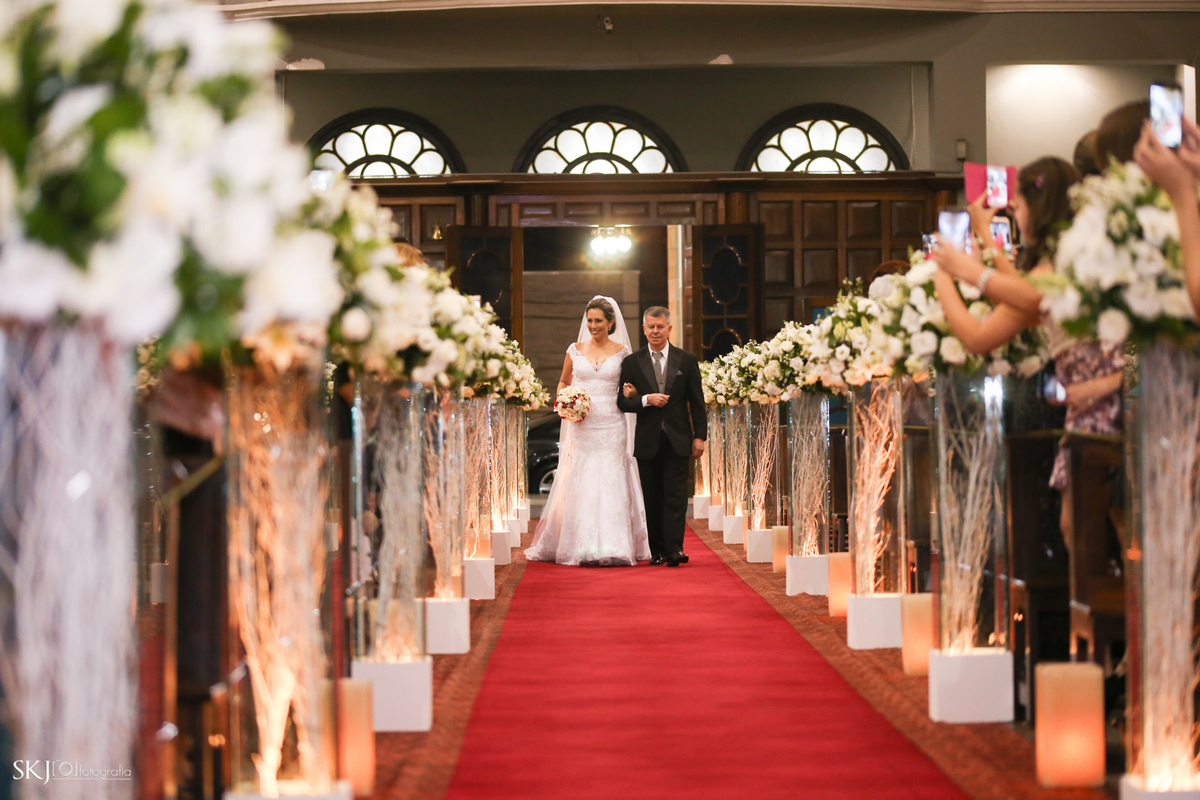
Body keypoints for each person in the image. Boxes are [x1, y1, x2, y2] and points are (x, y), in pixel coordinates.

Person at [524, 296, 651, 566]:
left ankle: (614, 545)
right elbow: (563, 381)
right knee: (583, 477)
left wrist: (633, 392)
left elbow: (633, 387)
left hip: (612, 424)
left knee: (610, 477)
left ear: (611, 322)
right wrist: (565, 402)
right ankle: (580, 544)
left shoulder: (623, 353)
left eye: (599, 321)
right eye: (590, 320)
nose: (593, 326)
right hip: (582, 425)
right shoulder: (575, 350)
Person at [617, 307, 707, 567]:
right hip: (647, 440)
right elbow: (621, 402)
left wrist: (700, 436)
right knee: (652, 496)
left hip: (678, 439)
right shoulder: (632, 362)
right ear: (644, 329)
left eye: (660, 327)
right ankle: (656, 550)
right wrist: (645, 399)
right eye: (651, 327)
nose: (655, 331)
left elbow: (697, 401)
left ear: (669, 329)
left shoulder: (686, 359)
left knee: (676, 496)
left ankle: (675, 549)